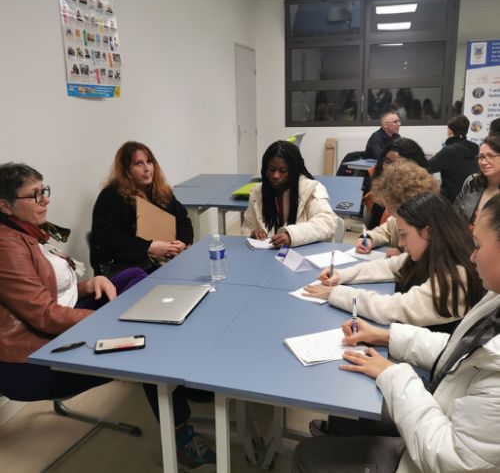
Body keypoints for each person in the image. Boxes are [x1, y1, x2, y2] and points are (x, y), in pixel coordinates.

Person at [0, 162, 216, 471]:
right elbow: (44, 315)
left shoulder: (27, 231)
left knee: (134, 276)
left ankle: (173, 368)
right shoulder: (6, 246)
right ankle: (180, 435)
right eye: (35, 195)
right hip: (33, 354)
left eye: (43, 190)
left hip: (61, 319)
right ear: (5, 206)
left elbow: (50, 290)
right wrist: (108, 321)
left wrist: (90, 284)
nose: (45, 199)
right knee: (147, 342)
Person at [292, 192, 500, 473]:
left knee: (311, 450)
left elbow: (452, 459)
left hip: (431, 447)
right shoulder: (492, 295)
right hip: (445, 396)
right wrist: (385, 336)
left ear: (428, 232)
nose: (473, 255)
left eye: (478, 246)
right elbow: (457, 348)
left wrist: (393, 373)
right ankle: (342, 437)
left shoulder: (455, 281)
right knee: (354, 390)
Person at [304, 192, 484, 332]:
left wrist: (336, 293)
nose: (400, 243)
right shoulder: (432, 253)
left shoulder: (454, 277)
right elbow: (389, 266)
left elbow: (391, 308)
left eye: (404, 235)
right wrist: (341, 275)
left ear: (428, 232)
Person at [91, 141, 193, 276]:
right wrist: (148, 248)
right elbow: (108, 241)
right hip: (126, 267)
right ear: (127, 171)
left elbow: (183, 221)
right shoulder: (110, 197)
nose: (147, 168)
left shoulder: (161, 192)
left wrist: (181, 242)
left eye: (149, 162)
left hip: (161, 262)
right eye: (139, 163)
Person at [241, 140, 338, 247]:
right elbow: (246, 231)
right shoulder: (257, 192)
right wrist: (253, 234)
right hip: (267, 255)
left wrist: (292, 235)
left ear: (294, 171)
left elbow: (328, 222)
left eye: (283, 171)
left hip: (304, 254)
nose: (276, 175)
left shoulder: (311, 188)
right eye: (272, 169)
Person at [356, 160, 439, 257]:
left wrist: (404, 255)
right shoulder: (398, 219)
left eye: (391, 207)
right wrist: (369, 238)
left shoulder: (435, 226)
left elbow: (432, 257)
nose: (387, 211)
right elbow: (386, 231)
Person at [363, 137, 428, 229]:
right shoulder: (381, 188)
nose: (388, 167)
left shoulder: (419, 199)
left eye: (396, 163)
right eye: (387, 161)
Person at [428, 115, 478, 202]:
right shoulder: (474, 148)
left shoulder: (449, 151)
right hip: (471, 199)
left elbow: (427, 167)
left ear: (450, 131)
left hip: (451, 200)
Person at [454, 135, 500, 226]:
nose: (483, 162)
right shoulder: (472, 182)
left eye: (491, 156)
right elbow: (455, 214)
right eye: (481, 157)